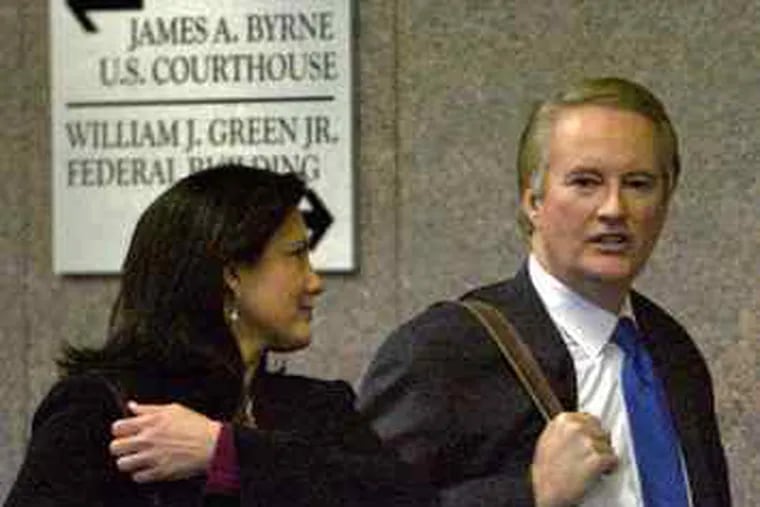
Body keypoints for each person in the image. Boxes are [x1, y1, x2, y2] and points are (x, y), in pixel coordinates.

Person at [356, 77, 732, 507]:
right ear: (533, 202)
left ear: (665, 202)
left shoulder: (670, 349)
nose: (614, 209)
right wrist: (531, 492)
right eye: (585, 182)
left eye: (638, 184)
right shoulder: (444, 353)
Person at [5, 165, 435, 507]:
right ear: (232, 273)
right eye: (296, 255)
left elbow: (407, 497)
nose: (314, 282)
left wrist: (228, 453)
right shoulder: (108, 412)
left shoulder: (318, 408)